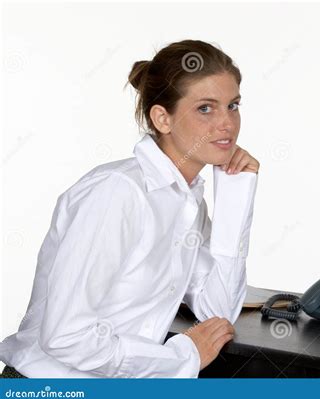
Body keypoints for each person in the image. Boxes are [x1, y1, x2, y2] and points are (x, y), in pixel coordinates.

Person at [0, 39, 259, 378]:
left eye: (233, 105)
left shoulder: (186, 200)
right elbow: (65, 337)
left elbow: (218, 310)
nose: (227, 123)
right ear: (162, 118)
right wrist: (181, 357)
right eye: (206, 108)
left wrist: (236, 192)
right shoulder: (118, 194)